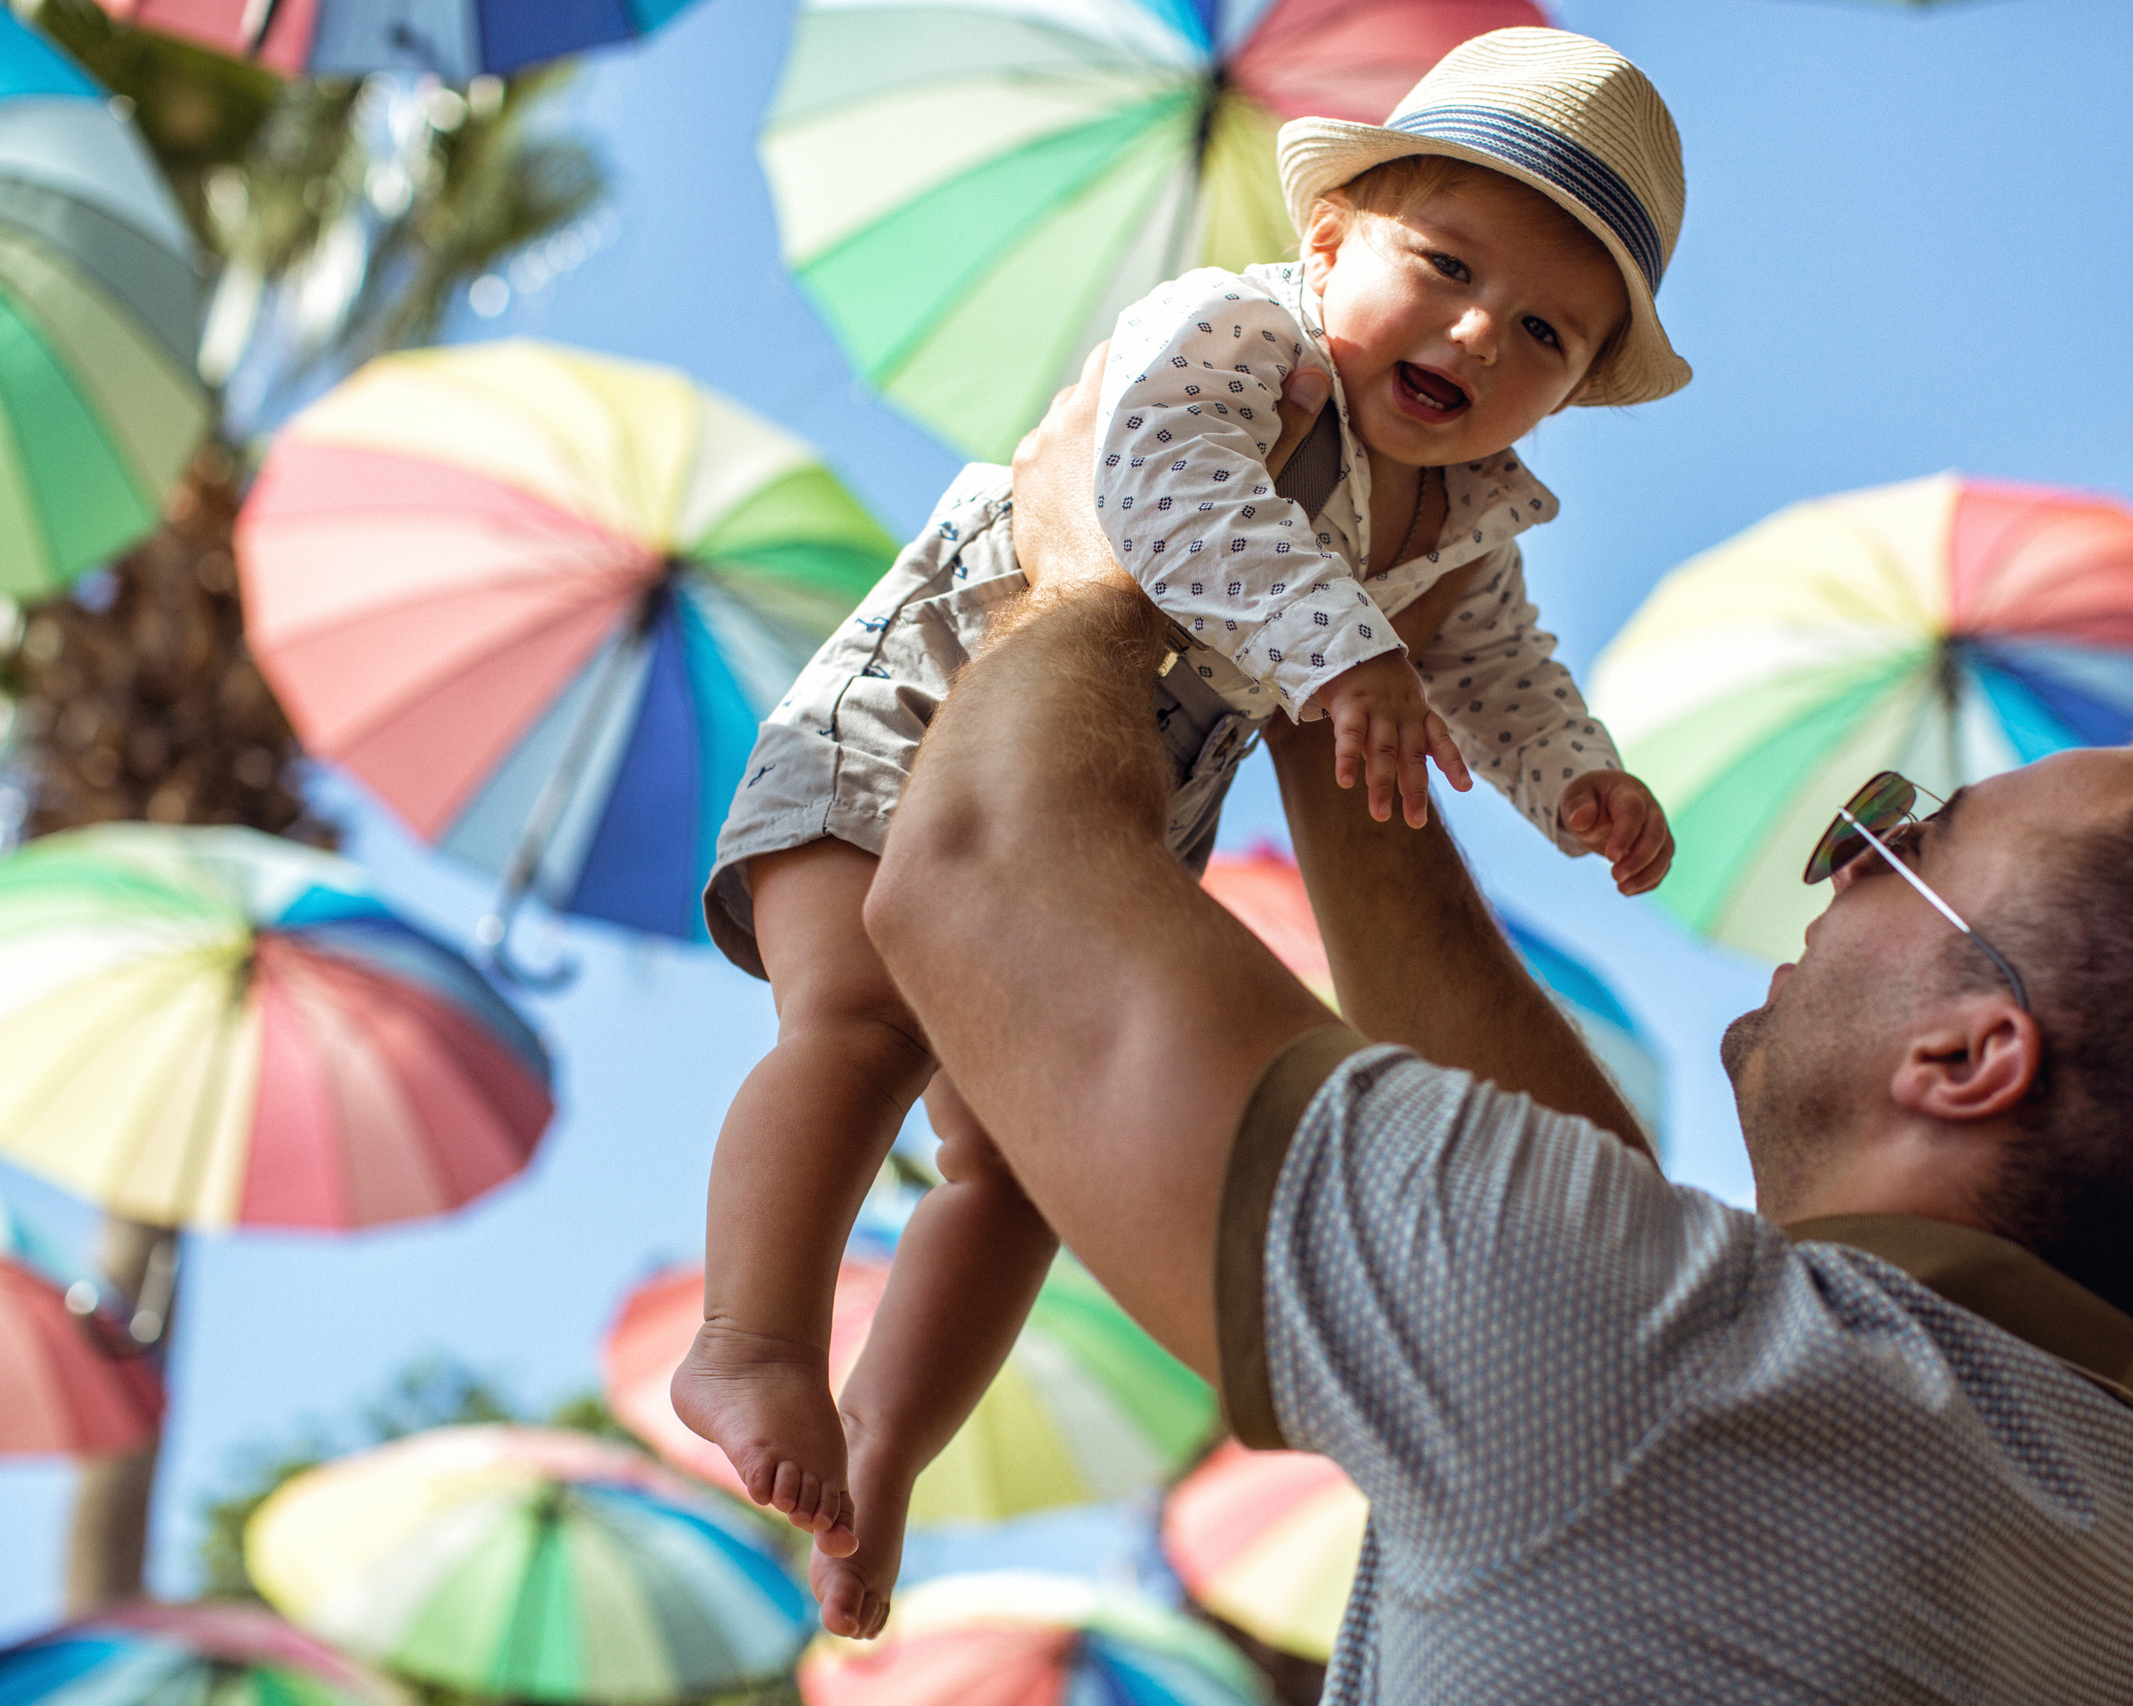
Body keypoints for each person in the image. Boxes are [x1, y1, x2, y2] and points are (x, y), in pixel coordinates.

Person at [844, 342, 2133, 1695]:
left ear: (1971, 1055)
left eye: (1897, 837)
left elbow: (980, 874)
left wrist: (1100, 553)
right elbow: (1586, 1210)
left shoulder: (1640, 1366)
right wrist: (1332, 643)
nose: (1835, 875)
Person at [673, 24, 1689, 1630]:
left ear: (1572, 394)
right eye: (1445, 264)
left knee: (1016, 1162)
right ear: (1332, 234)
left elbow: (1498, 664)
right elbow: (1155, 483)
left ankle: (884, 1440)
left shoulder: (1469, 512)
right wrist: (1344, 646)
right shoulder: (1231, 335)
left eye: (1547, 333)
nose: (1482, 332)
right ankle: (753, 1338)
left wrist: (1575, 774)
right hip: (924, 708)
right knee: (858, 1019)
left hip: (1111, 802)